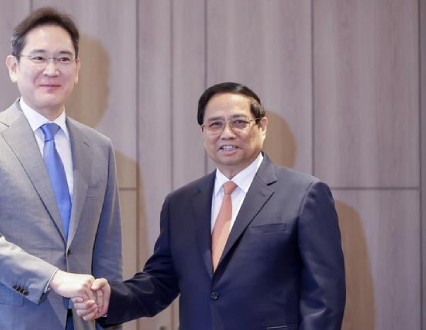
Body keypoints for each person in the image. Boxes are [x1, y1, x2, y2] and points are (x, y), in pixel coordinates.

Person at [76, 82, 346, 330]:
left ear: (262, 126)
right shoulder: (180, 203)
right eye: (215, 124)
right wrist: (111, 299)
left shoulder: (305, 194)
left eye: (239, 122)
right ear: (203, 132)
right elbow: (161, 281)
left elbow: (324, 298)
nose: (226, 133)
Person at [0, 7, 122, 330]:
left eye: (64, 58)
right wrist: (54, 278)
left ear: (78, 69)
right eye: (39, 58)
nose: (52, 70)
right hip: (2, 321)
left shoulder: (99, 148)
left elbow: (107, 252)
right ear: (13, 67)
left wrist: (108, 314)